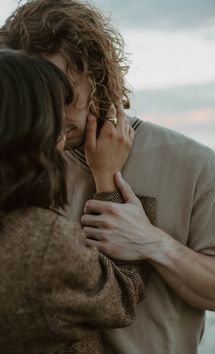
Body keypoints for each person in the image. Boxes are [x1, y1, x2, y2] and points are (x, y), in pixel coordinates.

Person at [1, 1, 215, 353]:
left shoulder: (194, 163)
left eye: (63, 95)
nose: (52, 113)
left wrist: (154, 243)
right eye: (37, 96)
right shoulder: (16, 165)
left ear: (97, 75)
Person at [0, 49, 155, 354]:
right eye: (53, 116)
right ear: (30, 129)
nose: (62, 134)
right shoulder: (41, 242)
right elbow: (119, 299)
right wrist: (108, 179)